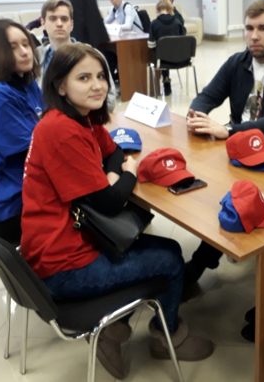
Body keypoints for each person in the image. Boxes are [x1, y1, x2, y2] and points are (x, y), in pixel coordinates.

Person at [21, 43, 213, 379]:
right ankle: (166, 338)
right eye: (84, 78)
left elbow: (114, 151)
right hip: (64, 266)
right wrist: (129, 173)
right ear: (60, 86)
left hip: (70, 238)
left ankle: (115, 330)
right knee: (170, 259)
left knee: (161, 247)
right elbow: (111, 201)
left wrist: (114, 176)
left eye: (101, 76)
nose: (97, 85)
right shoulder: (60, 130)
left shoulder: (81, 116)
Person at [184, 0, 264, 290]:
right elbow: (208, 96)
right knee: (203, 187)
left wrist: (229, 130)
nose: (254, 36)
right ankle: (224, 240)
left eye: (263, 28)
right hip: (241, 147)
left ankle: (199, 263)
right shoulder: (238, 62)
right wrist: (196, 114)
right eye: (249, 28)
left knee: (234, 197)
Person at [0, 19, 44, 244]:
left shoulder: (28, 84)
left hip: (27, 189)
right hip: (10, 206)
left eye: (26, 44)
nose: (25, 52)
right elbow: (34, 152)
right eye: (13, 47)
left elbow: (51, 126)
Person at [36, 0, 116, 111]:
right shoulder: (35, 57)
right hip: (45, 117)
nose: (59, 24)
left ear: (71, 24)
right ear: (43, 23)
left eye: (64, 19)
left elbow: (109, 97)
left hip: (83, 118)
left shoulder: (91, 55)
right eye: (53, 19)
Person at [148, 0, 187, 96]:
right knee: (168, 51)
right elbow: (183, 40)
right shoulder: (177, 22)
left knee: (161, 53)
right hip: (180, 59)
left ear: (157, 10)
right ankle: (166, 80)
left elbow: (151, 45)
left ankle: (165, 81)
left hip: (162, 60)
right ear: (169, 9)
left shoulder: (154, 23)